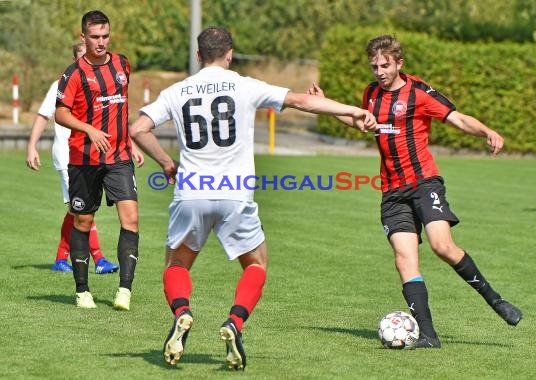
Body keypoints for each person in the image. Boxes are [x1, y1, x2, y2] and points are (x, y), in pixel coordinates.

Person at [129, 26, 375, 368]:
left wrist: (168, 163)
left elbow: (137, 129)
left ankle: (183, 313)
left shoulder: (177, 91)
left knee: (177, 265)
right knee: (256, 264)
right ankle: (235, 322)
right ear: (229, 54)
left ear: (199, 56)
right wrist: (352, 110)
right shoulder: (245, 86)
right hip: (235, 194)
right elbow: (302, 101)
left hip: (192, 192)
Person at [310, 35, 522, 348]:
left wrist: (487, 131)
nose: (379, 71)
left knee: (442, 246)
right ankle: (428, 336)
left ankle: (496, 300)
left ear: (399, 63)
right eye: (374, 66)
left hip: (424, 182)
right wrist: (324, 105)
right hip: (392, 191)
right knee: (404, 259)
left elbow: (457, 118)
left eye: (385, 65)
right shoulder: (371, 94)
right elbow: (359, 124)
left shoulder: (419, 92)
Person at [55, 10, 144, 310]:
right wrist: (89, 128)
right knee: (83, 220)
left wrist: (131, 142)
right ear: (83, 37)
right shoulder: (73, 73)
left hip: (118, 156)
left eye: (105, 36)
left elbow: (122, 109)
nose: (101, 42)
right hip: (84, 158)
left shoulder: (122, 64)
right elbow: (60, 112)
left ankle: (124, 291)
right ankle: (82, 291)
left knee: (130, 218)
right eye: (95, 37)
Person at [26, 41, 119, 275]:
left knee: (76, 210)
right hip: (68, 155)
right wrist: (31, 146)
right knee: (83, 209)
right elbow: (42, 116)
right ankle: (99, 259)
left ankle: (60, 259)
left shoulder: (100, 84)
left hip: (88, 154)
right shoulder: (61, 84)